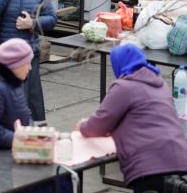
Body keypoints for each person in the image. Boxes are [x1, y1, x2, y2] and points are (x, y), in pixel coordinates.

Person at [76, 44, 187, 193]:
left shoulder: (124, 86)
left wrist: (83, 125)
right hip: (179, 160)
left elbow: (99, 124)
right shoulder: (161, 85)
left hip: (149, 167)